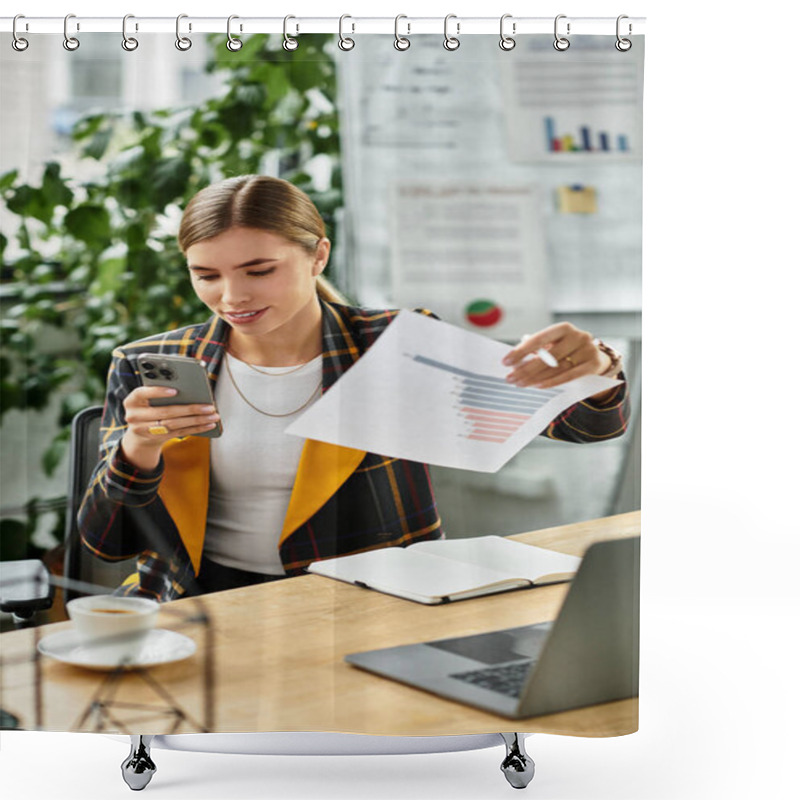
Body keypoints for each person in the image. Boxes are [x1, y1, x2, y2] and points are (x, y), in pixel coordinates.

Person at [78, 175, 630, 601]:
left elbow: (587, 426)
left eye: (259, 270)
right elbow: (107, 542)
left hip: (368, 601)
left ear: (317, 255)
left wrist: (596, 365)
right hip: (198, 607)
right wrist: (138, 449)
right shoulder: (153, 364)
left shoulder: (391, 345)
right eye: (207, 275)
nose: (232, 296)